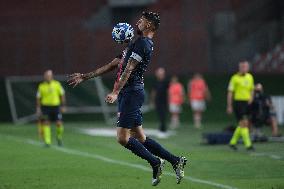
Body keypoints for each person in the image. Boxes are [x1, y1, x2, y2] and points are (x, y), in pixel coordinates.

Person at [67, 12, 187, 186]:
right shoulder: (135, 44)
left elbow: (128, 69)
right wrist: (85, 76)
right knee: (140, 137)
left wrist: (115, 91)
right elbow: (112, 65)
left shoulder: (143, 44)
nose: (137, 21)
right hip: (130, 92)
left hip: (131, 93)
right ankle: (175, 161)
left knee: (122, 138)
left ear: (149, 26)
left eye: (142, 20)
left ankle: (155, 162)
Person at [227, 61, 254, 151]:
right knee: (244, 123)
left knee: (242, 124)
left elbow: (251, 89)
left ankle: (232, 142)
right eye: (242, 66)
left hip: (247, 103)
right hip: (238, 103)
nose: (244, 68)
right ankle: (248, 145)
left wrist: (251, 98)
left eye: (245, 66)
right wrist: (229, 105)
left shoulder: (250, 77)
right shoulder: (234, 78)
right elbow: (230, 92)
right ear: (239, 68)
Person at [36, 70, 66, 147]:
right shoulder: (41, 86)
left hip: (56, 107)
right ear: (45, 77)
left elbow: (62, 94)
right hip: (46, 107)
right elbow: (38, 98)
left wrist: (63, 105)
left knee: (59, 123)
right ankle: (47, 142)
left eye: (49, 76)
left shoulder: (57, 84)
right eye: (46, 76)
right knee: (46, 123)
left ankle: (59, 137)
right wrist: (38, 108)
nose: (48, 77)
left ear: (52, 76)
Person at [151, 67, 170, 135]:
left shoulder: (166, 81)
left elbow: (169, 91)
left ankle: (163, 128)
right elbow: (154, 92)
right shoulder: (155, 82)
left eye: (161, 73)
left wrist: (170, 100)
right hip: (158, 101)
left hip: (165, 100)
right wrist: (153, 101)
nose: (160, 75)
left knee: (163, 114)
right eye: (159, 73)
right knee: (160, 114)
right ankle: (162, 127)